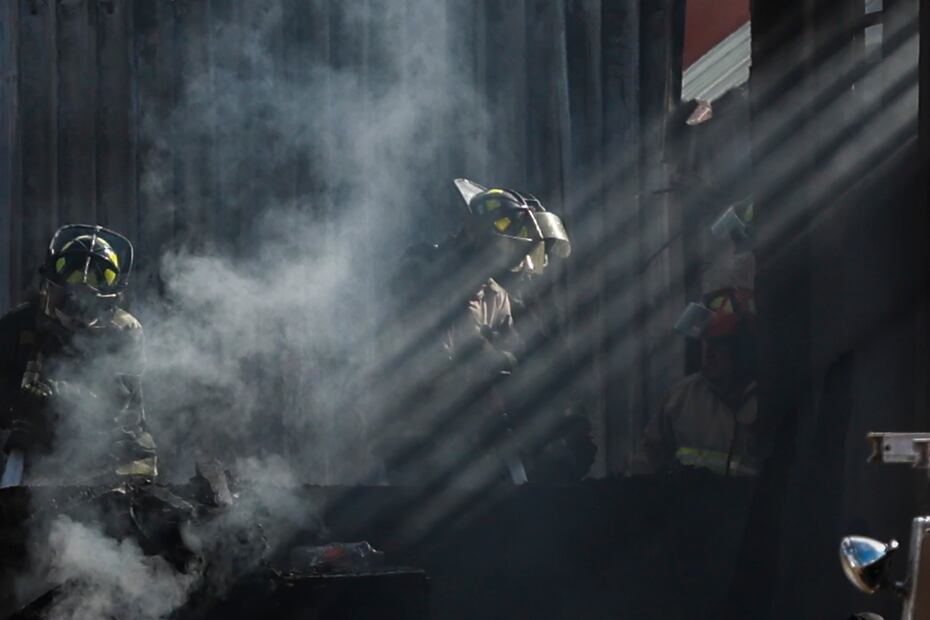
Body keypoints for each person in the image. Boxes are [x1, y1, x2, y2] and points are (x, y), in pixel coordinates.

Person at [378, 179, 579, 485]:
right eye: (509, 245)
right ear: (478, 236)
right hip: (417, 440)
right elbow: (424, 357)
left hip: (471, 443)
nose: (517, 260)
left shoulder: (496, 295)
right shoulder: (422, 272)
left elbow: (514, 355)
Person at [0, 225, 156, 485]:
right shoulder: (17, 325)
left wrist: (56, 394)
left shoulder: (124, 331)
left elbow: (115, 399)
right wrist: (16, 401)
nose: (75, 323)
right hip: (40, 452)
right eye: (68, 309)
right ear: (50, 286)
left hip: (117, 452)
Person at [634, 287, 759, 476]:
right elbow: (646, 460)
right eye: (706, 341)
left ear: (742, 348)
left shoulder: (769, 401)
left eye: (719, 343)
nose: (708, 352)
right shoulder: (680, 398)